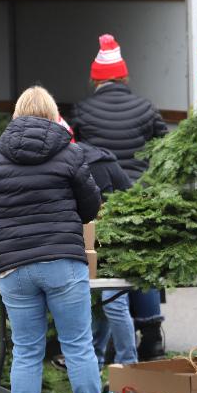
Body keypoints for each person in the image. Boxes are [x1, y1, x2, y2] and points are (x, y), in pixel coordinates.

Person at [0, 86, 118, 393]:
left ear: (15, 115)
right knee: (78, 346)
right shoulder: (71, 154)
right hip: (64, 262)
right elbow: (91, 207)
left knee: (27, 351)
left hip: (13, 267)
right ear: (52, 115)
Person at [72, 34, 168, 360]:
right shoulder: (146, 108)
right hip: (138, 196)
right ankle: (152, 334)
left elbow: (75, 153)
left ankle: (108, 343)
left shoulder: (82, 111)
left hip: (102, 198)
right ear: (124, 76)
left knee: (108, 269)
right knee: (143, 263)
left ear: (94, 78)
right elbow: (166, 147)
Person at [77, 141, 139, 369]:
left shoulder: (95, 168)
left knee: (113, 304)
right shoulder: (81, 162)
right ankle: (97, 360)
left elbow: (103, 211)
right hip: (101, 240)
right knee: (104, 300)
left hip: (121, 240)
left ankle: (129, 365)